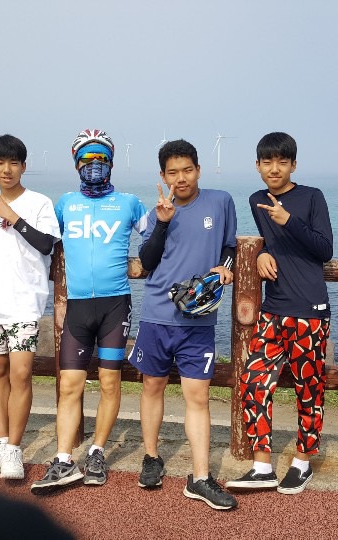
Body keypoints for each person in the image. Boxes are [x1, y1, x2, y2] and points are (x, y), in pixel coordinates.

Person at [30, 129, 148, 494]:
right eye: (87, 160)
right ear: (76, 165)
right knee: (69, 385)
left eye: (101, 159)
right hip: (78, 307)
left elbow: (155, 239)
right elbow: (44, 241)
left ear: (111, 163)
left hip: (115, 305)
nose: (94, 166)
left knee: (110, 382)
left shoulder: (129, 203)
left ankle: (97, 451)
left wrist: (142, 262)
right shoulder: (66, 203)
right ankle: (64, 459)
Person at [129, 139, 238, 510]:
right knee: (152, 386)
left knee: (198, 396)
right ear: (163, 176)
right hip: (157, 314)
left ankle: (201, 477)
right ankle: (151, 457)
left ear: (199, 170)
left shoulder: (221, 202)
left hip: (199, 318)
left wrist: (225, 267)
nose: (181, 178)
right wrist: (162, 222)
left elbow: (229, 246)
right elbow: (147, 261)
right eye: (173, 173)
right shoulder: (156, 212)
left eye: (187, 170)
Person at [226, 132, 333, 495]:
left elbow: (324, 249)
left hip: (310, 311)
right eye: (267, 162)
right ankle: (262, 467)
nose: (275, 169)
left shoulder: (312, 197)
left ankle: (302, 462)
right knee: (254, 381)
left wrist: (289, 220)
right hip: (273, 309)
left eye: (282, 162)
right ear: (257, 166)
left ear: (293, 165)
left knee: (309, 389)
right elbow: (271, 242)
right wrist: (260, 253)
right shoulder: (256, 200)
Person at [0, 135, 60, 480]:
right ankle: (1, 441)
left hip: (24, 304)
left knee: (21, 375)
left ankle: (15, 449)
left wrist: (14, 217)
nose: (7, 170)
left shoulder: (39, 203)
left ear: (23, 166)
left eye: (13, 163)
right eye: (0, 163)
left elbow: (47, 244)